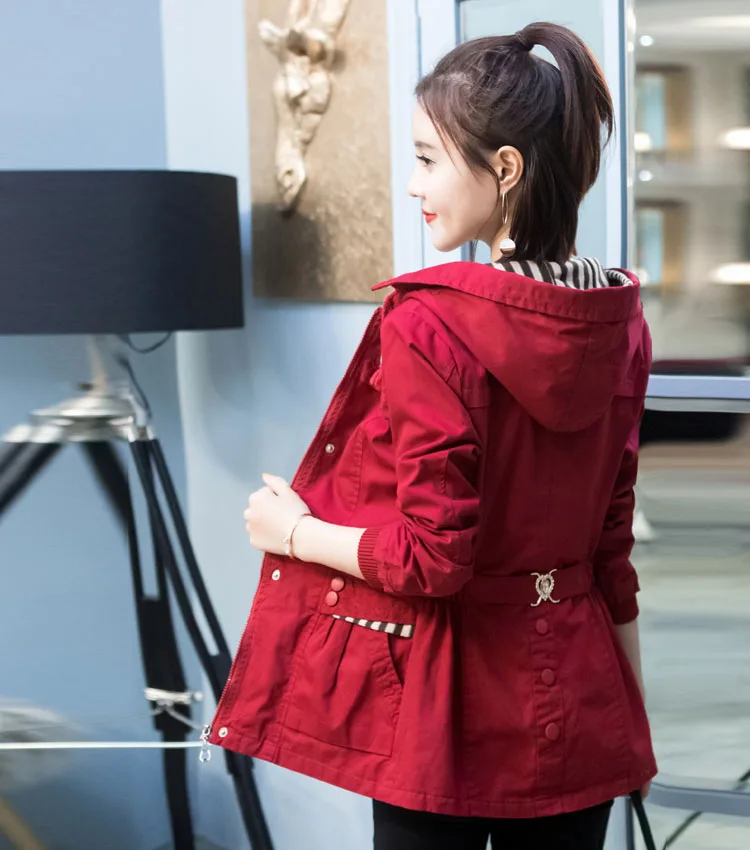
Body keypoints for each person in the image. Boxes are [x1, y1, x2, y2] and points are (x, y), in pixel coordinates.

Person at [210, 21, 657, 850]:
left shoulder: (431, 322)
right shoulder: (620, 320)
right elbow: (609, 551)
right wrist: (630, 724)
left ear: (506, 169)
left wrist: (294, 532)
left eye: (426, 158)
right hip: (581, 695)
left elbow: (432, 558)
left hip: (447, 708)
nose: (413, 183)